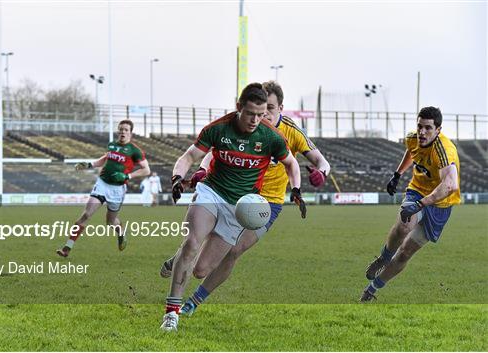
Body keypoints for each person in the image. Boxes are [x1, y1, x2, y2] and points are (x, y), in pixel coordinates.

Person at [160, 81, 331, 316]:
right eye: (256, 111)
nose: (262, 116)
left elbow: (315, 162)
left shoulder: (285, 133)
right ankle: (181, 277)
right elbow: (214, 152)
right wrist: (196, 172)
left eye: (269, 109)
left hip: (265, 202)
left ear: (281, 108)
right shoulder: (227, 126)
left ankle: (195, 293)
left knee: (231, 252)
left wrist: (312, 179)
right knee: (196, 238)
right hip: (225, 191)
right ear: (241, 107)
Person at [361, 106, 460, 302]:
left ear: (438, 130)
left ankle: (372, 290)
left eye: (428, 128)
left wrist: (422, 204)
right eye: (419, 126)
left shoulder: (444, 150)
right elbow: (411, 152)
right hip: (417, 190)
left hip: (441, 203)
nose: (422, 132)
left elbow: (450, 184)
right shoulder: (413, 138)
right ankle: (383, 257)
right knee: (404, 224)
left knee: (406, 252)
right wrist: (397, 175)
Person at [56, 120, 150, 257]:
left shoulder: (134, 150)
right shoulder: (112, 144)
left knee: (110, 222)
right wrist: (89, 165)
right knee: (86, 215)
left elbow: (146, 170)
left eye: (126, 130)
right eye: (121, 129)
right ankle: (67, 248)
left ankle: (121, 232)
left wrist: (127, 176)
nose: (123, 132)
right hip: (102, 184)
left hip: (117, 190)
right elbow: (105, 159)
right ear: (118, 131)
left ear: (131, 133)